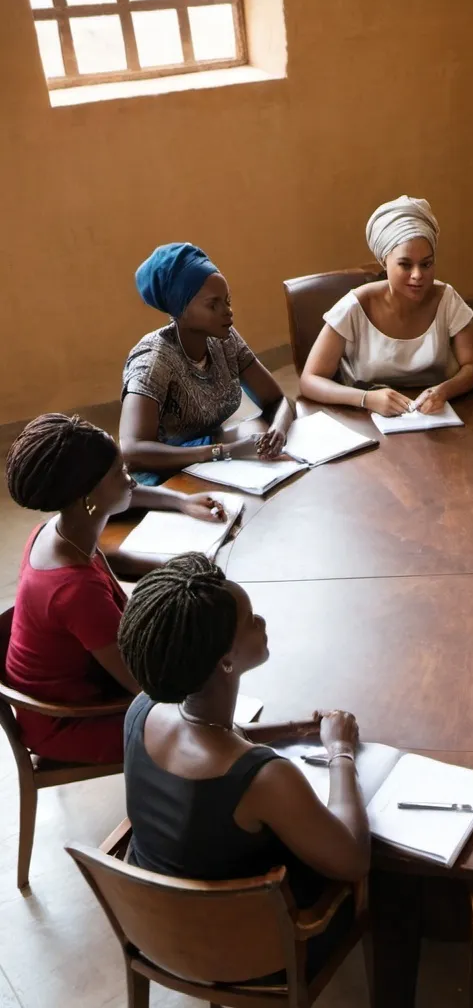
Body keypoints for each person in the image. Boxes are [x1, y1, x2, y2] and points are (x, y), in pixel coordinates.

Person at [118, 552, 370, 978]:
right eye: (251, 620)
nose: (262, 622)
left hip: (156, 925)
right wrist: (340, 751)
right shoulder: (264, 779)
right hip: (250, 951)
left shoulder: (143, 709)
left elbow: (215, 737)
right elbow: (352, 858)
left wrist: (292, 728)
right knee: (390, 879)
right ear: (225, 661)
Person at [4, 414, 227, 764]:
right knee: (210, 721)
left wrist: (180, 507)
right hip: (70, 720)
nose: (131, 479)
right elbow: (144, 686)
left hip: (82, 684)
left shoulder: (61, 530)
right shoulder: (75, 589)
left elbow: (126, 503)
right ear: (88, 498)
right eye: (120, 472)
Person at [120, 243, 295, 484]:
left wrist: (279, 429)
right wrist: (223, 452)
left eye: (227, 300)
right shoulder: (153, 361)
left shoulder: (224, 339)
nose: (228, 312)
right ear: (181, 310)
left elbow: (278, 400)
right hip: (164, 477)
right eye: (213, 305)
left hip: (208, 461)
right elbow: (133, 452)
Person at [299, 196, 473, 416]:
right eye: (405, 265)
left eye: (426, 264)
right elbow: (310, 380)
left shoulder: (446, 300)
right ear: (383, 261)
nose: (418, 275)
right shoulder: (356, 307)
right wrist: (366, 398)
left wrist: (443, 391)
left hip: (432, 418)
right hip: (367, 419)